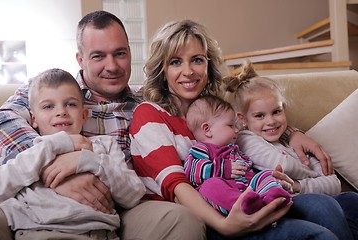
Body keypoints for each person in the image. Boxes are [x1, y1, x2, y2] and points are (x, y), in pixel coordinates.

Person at [129, 18, 352, 239]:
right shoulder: (150, 114)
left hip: (252, 194)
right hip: (215, 215)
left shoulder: (216, 106)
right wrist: (227, 225)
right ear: (162, 69)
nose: (188, 71)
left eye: (196, 60)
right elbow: (176, 186)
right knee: (320, 229)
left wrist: (292, 133)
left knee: (343, 204)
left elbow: (258, 124)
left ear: (208, 65)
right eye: (176, 62)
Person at [0, 11, 206, 240]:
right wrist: (53, 165)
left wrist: (87, 163)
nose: (112, 66)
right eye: (98, 56)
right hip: (45, 208)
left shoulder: (148, 102)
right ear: (81, 59)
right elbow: (4, 121)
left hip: (120, 209)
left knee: (182, 220)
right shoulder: (52, 90)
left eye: (120, 54)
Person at [0, 68, 146, 239]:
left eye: (71, 104)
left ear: (84, 115)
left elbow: (133, 194)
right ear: (34, 120)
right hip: (39, 232)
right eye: (48, 106)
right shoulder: (32, 150)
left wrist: (92, 162)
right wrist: (55, 145)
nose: (61, 112)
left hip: (99, 233)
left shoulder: (103, 145)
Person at [225, 60, 358, 239]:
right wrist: (312, 175)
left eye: (276, 112)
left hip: (304, 193)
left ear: (284, 108)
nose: (271, 121)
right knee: (324, 205)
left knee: (351, 199)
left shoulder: (293, 143)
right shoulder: (246, 138)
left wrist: (298, 185)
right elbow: (282, 165)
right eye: (259, 116)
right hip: (285, 203)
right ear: (243, 119)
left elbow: (334, 184)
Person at [184, 95, 291, 215]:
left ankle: (272, 197)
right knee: (209, 187)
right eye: (230, 125)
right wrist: (225, 169)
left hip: (247, 189)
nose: (236, 130)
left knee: (265, 174)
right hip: (225, 199)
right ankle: (246, 206)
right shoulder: (200, 149)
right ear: (207, 129)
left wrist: (269, 179)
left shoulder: (235, 150)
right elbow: (193, 171)